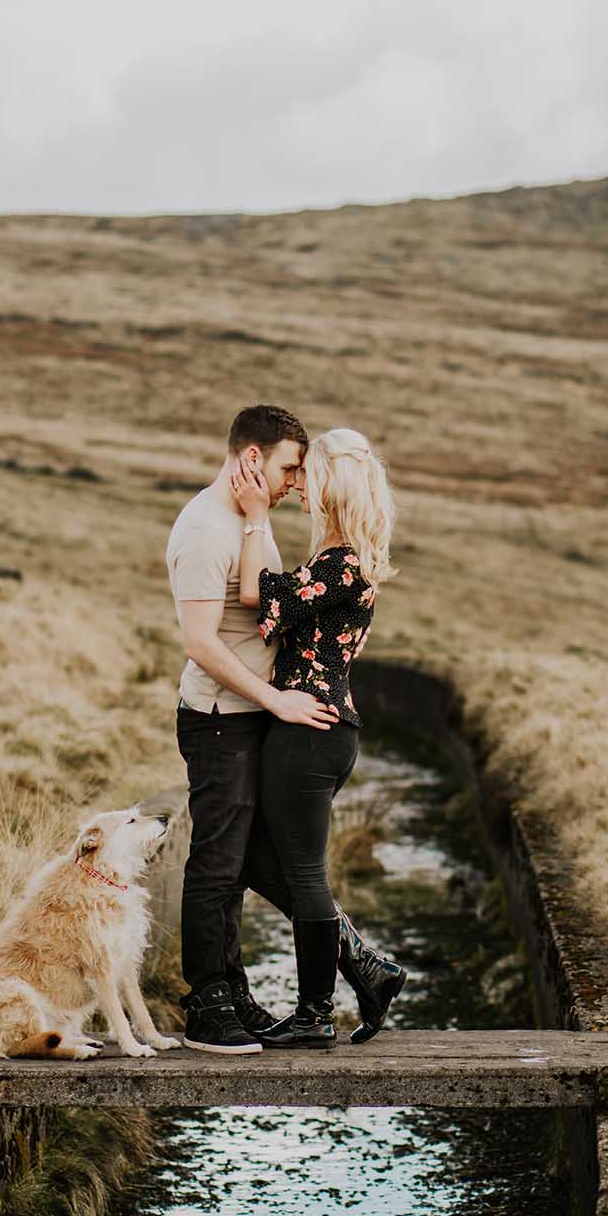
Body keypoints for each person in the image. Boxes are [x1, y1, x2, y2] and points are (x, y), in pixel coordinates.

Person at [166, 405, 339, 1055]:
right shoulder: (207, 531)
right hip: (217, 719)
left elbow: (259, 602)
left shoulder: (245, 521)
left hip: (246, 717)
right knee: (215, 861)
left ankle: (232, 988)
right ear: (250, 460)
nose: (296, 481)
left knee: (235, 860)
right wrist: (278, 700)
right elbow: (201, 644)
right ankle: (206, 1004)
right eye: (289, 467)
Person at [230, 426, 406, 1049]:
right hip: (315, 729)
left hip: (311, 731)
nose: (297, 484)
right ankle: (363, 965)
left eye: (308, 475)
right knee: (255, 859)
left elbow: (260, 600)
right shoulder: (340, 557)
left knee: (304, 874)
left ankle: (313, 1015)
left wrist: (255, 519)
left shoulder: (344, 562)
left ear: (332, 483)